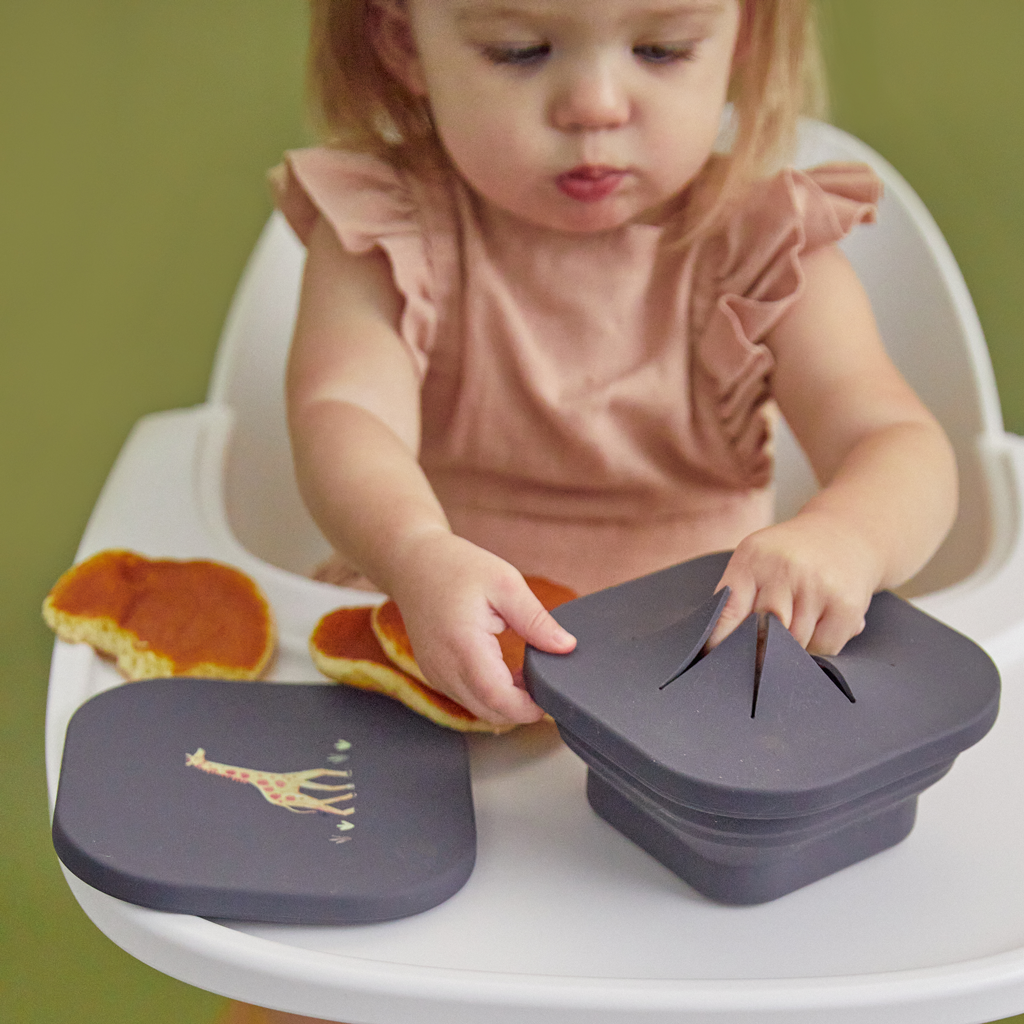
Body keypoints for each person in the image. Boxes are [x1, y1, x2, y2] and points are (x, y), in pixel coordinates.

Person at [220, 0, 959, 1020]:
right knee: (314, 977)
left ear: (739, 36)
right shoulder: (386, 229)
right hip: (442, 682)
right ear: (403, 42)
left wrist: (844, 536)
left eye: (660, 49)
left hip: (698, 711)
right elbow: (342, 415)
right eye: (519, 50)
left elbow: (903, 447)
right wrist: (415, 547)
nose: (596, 105)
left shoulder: (765, 242)